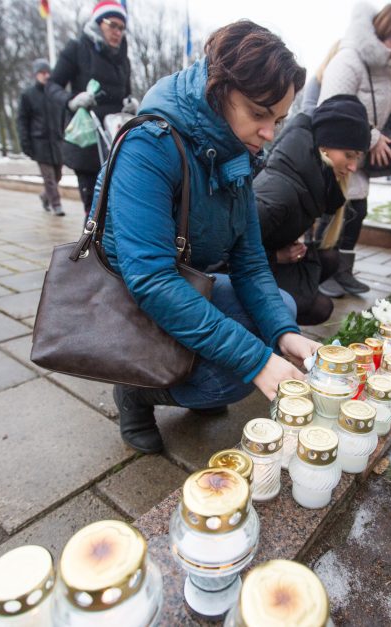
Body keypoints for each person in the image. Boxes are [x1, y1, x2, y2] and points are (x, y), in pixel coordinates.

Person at [101, 20, 319, 453]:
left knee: (282, 314)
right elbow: (151, 281)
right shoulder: (148, 143)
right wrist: (257, 361)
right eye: (259, 113)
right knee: (238, 371)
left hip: (181, 282)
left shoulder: (234, 152)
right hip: (128, 298)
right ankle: (137, 391)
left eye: (278, 119)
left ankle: (194, 379)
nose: (270, 133)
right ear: (218, 88)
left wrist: (285, 333)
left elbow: (252, 264)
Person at [316, 2, 391, 297]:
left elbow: (371, 106)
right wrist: (373, 138)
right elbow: (333, 111)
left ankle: (343, 270)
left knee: (358, 211)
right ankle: (322, 271)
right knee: (334, 211)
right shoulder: (348, 60)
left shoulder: (383, 66)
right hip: (342, 151)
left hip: (361, 152)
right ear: (382, 31)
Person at [254, 95, 370, 326]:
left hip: (266, 260)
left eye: (357, 158)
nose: (353, 167)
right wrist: (276, 256)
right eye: (348, 155)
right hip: (244, 273)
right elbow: (220, 257)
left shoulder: (312, 176)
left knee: (329, 257)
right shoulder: (280, 192)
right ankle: (260, 327)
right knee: (320, 307)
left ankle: (280, 313)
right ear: (324, 146)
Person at [47, 0, 134, 215]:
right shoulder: (76, 49)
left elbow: (126, 92)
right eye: (112, 25)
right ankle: (91, 244)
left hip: (115, 136)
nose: (117, 32)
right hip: (87, 138)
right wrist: (71, 100)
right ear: (98, 23)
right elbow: (52, 85)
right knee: (93, 204)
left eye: (121, 27)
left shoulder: (124, 59)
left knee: (119, 199)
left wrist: (130, 103)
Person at [18, 58, 65, 216]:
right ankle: (56, 204)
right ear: (36, 75)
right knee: (49, 177)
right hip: (40, 142)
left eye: (47, 72)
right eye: (42, 73)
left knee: (57, 175)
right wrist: (26, 143)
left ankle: (45, 197)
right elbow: (22, 120)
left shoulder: (54, 94)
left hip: (56, 141)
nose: (45, 76)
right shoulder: (28, 95)